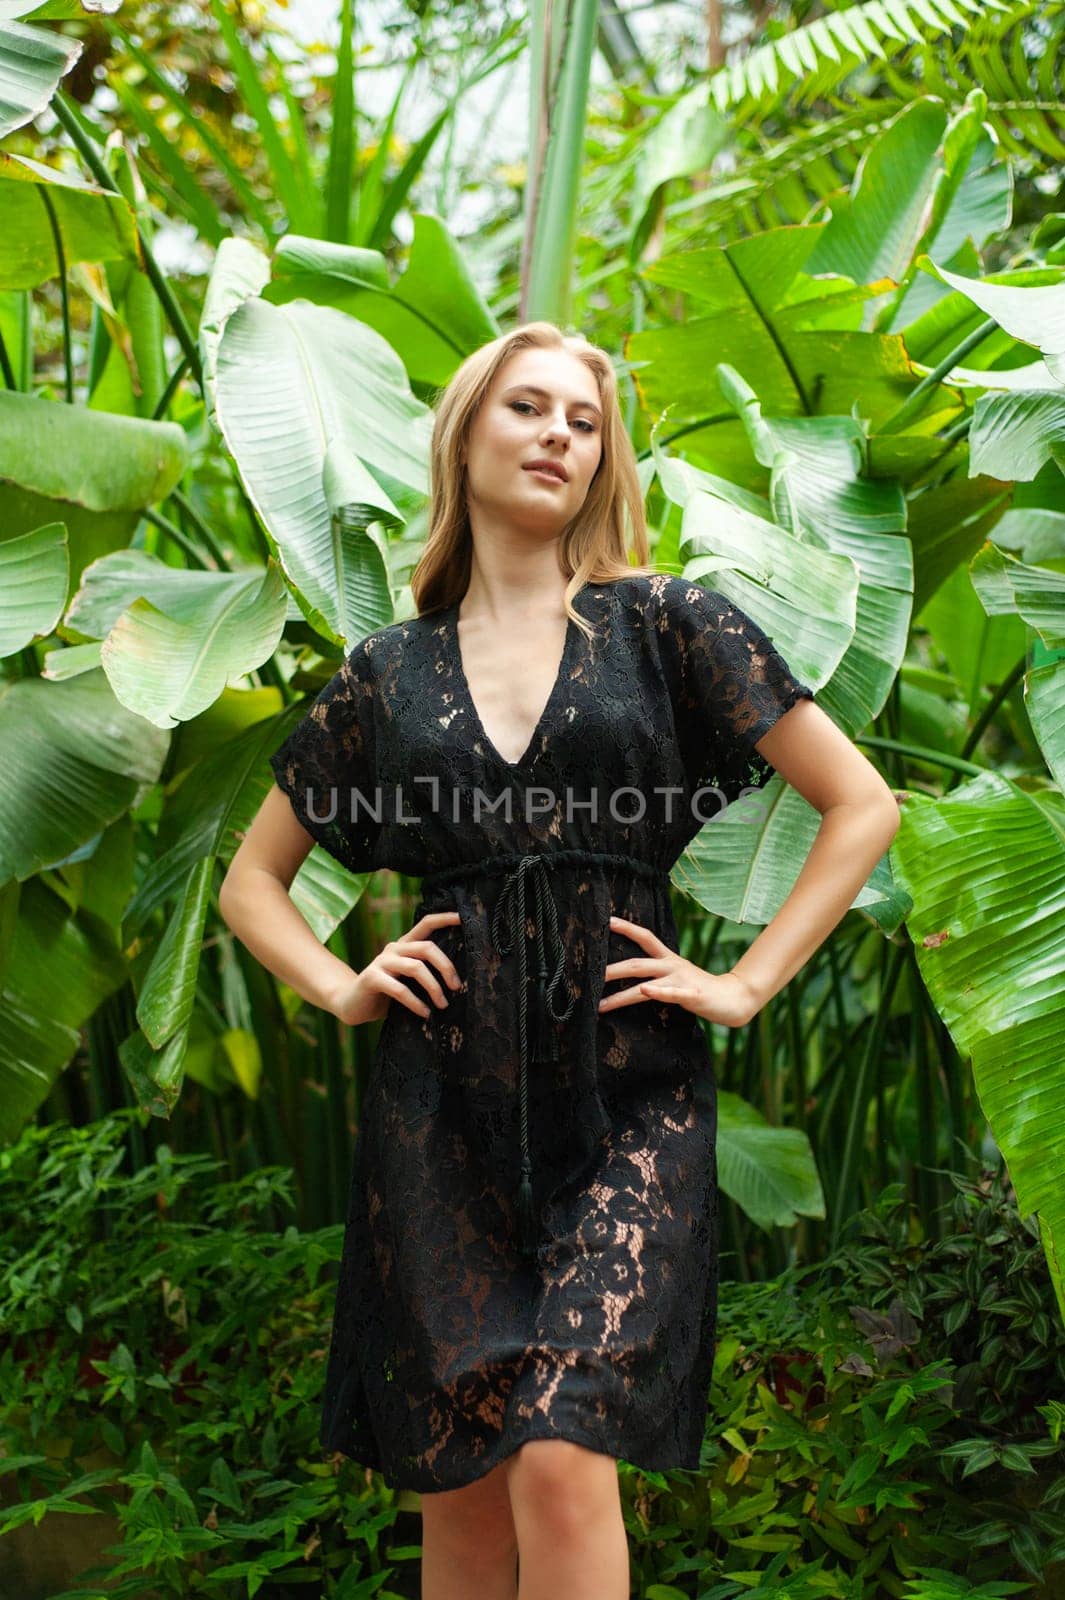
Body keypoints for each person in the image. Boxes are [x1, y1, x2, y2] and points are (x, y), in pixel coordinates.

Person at [219, 321, 899, 1600]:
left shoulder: (669, 625)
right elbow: (253, 883)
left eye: (584, 422)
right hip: (439, 1112)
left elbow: (859, 804)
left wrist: (744, 983)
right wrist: (343, 984)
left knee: (561, 1452)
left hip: (631, 1092)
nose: (559, 437)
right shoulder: (386, 673)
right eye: (528, 409)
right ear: (465, 434)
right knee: (465, 1491)